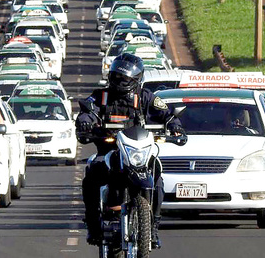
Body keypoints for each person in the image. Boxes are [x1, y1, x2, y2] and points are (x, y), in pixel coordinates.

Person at [75, 53, 184, 248]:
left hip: (139, 153)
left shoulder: (145, 97)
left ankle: (153, 228)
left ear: (135, 79)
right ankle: (93, 224)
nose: (120, 81)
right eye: (116, 76)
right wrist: (85, 121)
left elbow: (166, 113)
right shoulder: (101, 96)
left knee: (157, 177)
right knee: (91, 173)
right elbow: (88, 110)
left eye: (124, 78)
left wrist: (174, 125)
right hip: (108, 150)